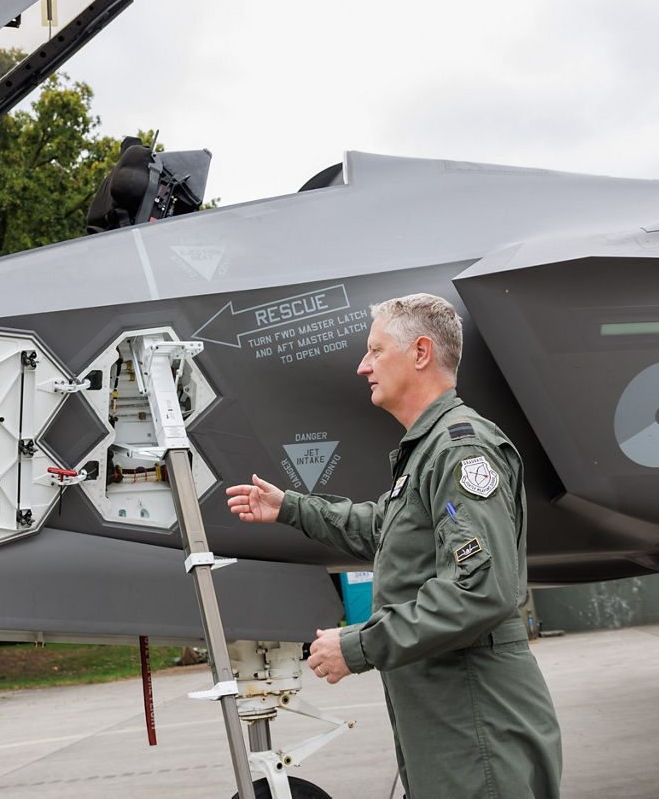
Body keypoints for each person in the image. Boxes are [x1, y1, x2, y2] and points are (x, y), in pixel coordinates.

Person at [226, 293, 561, 798]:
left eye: (376, 351)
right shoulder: (429, 450)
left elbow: (481, 590)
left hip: (476, 724)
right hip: (449, 718)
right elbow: (386, 529)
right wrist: (291, 507)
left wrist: (359, 646)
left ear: (421, 353)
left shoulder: (459, 449)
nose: (363, 367)